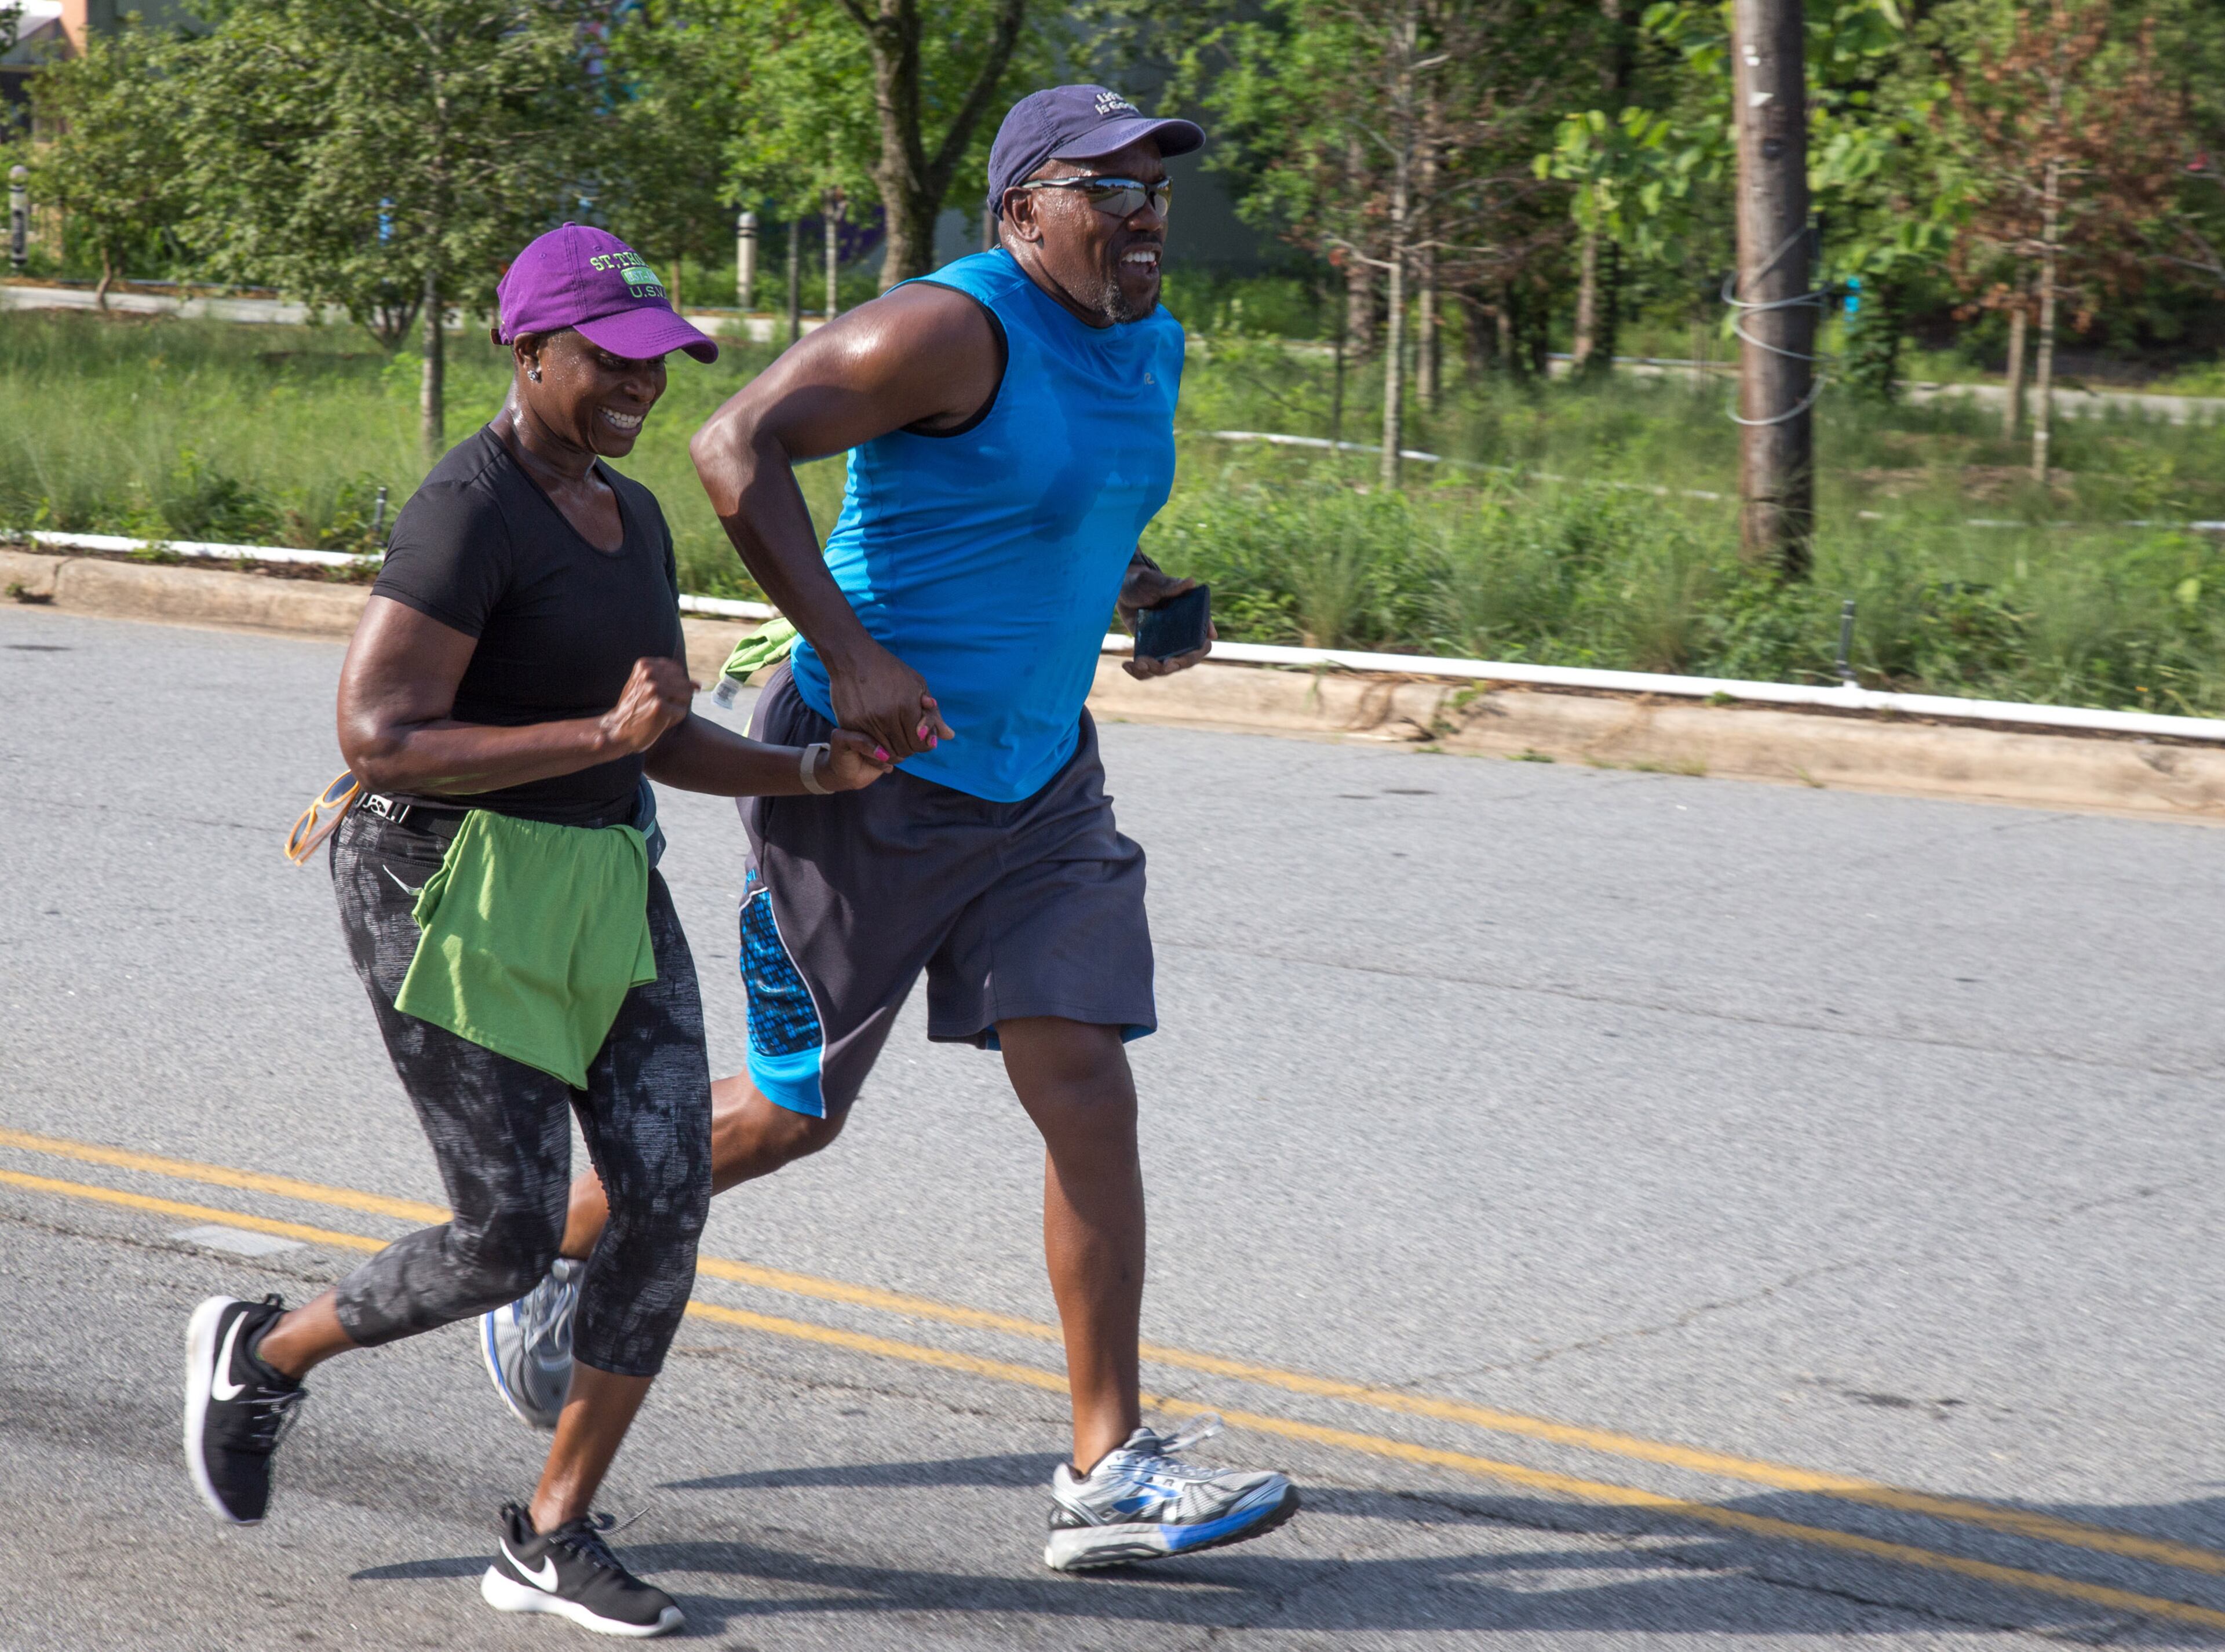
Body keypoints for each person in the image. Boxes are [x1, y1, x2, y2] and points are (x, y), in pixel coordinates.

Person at [482, 89, 1300, 1573]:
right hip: (862, 774)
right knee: (793, 1115)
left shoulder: (1149, 342)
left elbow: (1057, 510)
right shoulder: (949, 327)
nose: (1142, 213)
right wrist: (847, 651)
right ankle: (533, 1255)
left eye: (1156, 188)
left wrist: (1146, 586)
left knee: (1087, 1078)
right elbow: (735, 448)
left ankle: (1104, 1466)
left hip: (1041, 778)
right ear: (1020, 213)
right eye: (1104, 188)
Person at [180, 223, 889, 1639]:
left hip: (595, 874)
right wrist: (594, 733)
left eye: (663, 358)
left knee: (669, 1194)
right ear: (531, 353)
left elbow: (658, 739)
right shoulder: (468, 510)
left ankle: (553, 1531)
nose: (646, 380)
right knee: (505, 1240)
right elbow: (380, 738)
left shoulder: (632, 516)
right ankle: (262, 1352)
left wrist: (806, 772)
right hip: (436, 882)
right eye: (615, 357)